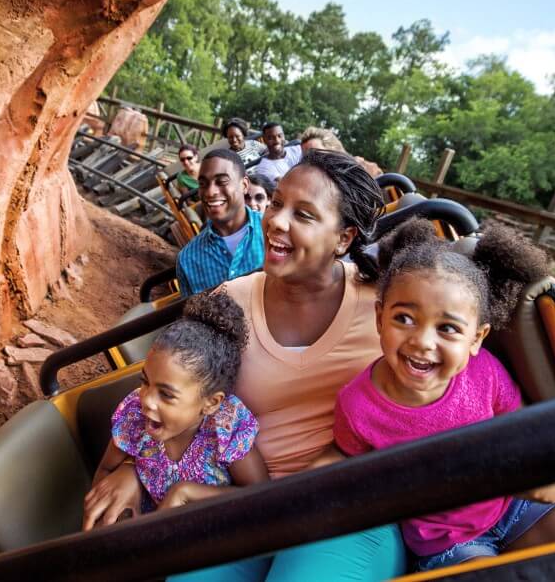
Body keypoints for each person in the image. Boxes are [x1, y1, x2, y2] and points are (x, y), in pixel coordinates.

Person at [82, 149, 408, 581]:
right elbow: (174, 388)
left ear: (344, 239)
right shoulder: (227, 303)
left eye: (304, 215)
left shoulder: (385, 311)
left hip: (342, 503)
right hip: (238, 504)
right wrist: (130, 468)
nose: (275, 220)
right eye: (276, 203)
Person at [326, 218, 555, 571]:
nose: (423, 342)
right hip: (446, 540)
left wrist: (543, 470)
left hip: (512, 505)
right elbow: (346, 461)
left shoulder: (484, 371)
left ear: (476, 338)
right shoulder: (357, 405)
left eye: (448, 328)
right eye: (405, 319)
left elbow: (519, 427)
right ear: (380, 317)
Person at [87, 291, 268, 518]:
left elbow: (260, 495)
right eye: (145, 382)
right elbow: (105, 469)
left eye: (166, 395)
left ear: (211, 403)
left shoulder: (225, 427)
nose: (146, 400)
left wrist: (186, 492)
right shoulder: (134, 415)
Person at [175, 149, 265, 297]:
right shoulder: (187, 259)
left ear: (244, 185)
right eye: (203, 184)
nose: (210, 192)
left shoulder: (274, 232)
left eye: (222, 181)